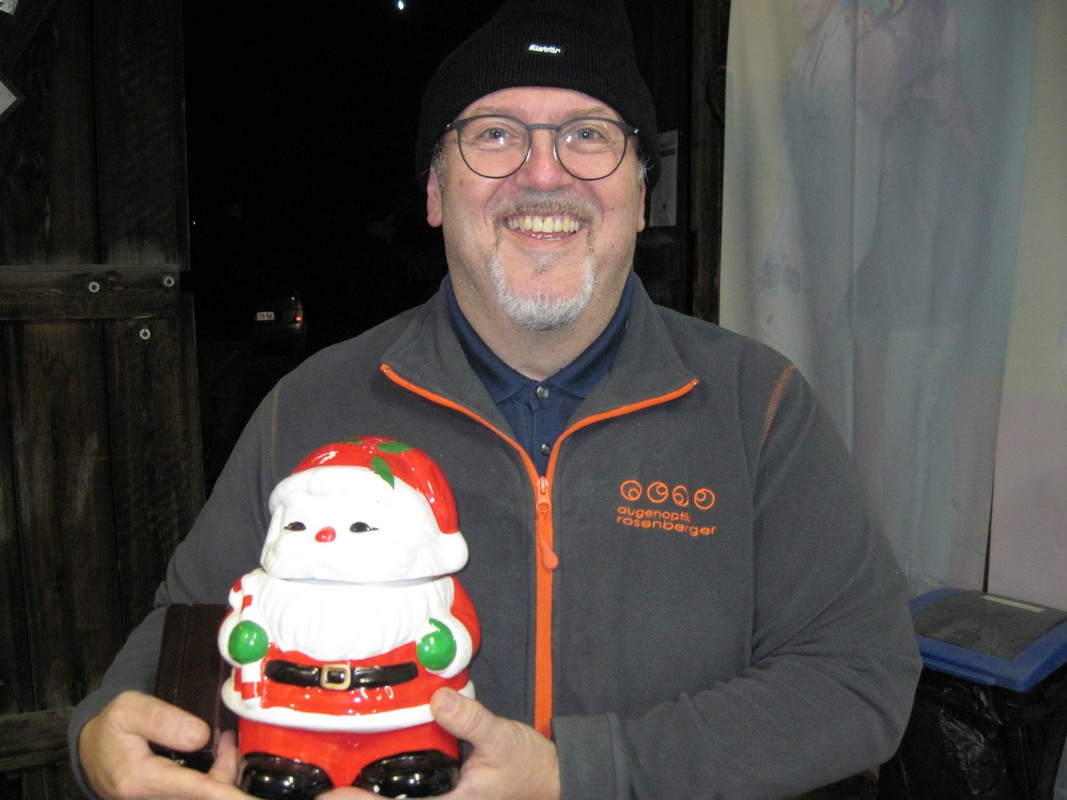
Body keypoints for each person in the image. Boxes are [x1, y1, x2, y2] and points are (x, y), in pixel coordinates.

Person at [69, 1, 921, 798]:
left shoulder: (754, 406)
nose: (542, 174)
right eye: (494, 135)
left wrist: (577, 772)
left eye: (587, 135)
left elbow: (856, 677)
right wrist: (100, 736)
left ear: (640, 195)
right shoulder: (314, 406)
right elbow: (188, 630)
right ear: (435, 193)